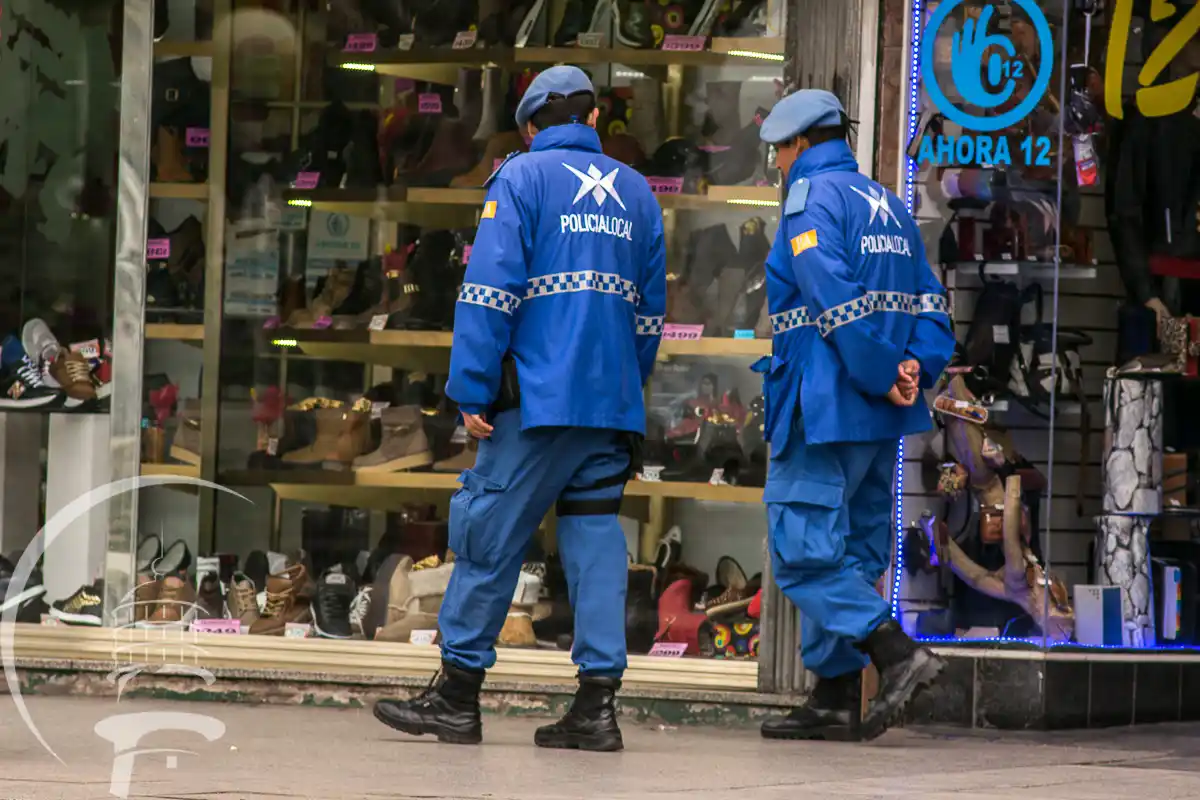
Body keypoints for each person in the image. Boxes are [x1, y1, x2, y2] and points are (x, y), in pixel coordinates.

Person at [372, 66, 666, 752]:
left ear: (531, 127)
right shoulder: (637, 191)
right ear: (594, 120)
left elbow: (488, 293)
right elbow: (651, 314)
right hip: (610, 405)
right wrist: (626, 383)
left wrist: (472, 390)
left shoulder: (520, 178)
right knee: (595, 546)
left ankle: (456, 697)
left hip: (537, 403)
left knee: (487, 535)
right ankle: (596, 707)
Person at [752, 90, 955, 742]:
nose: (777, 163)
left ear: (799, 143)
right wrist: (913, 367)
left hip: (824, 403)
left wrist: (879, 372)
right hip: (881, 417)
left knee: (802, 549)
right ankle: (834, 694)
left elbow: (833, 300)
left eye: (779, 151)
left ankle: (896, 653)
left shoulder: (810, 200)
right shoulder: (887, 205)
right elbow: (932, 303)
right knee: (854, 552)